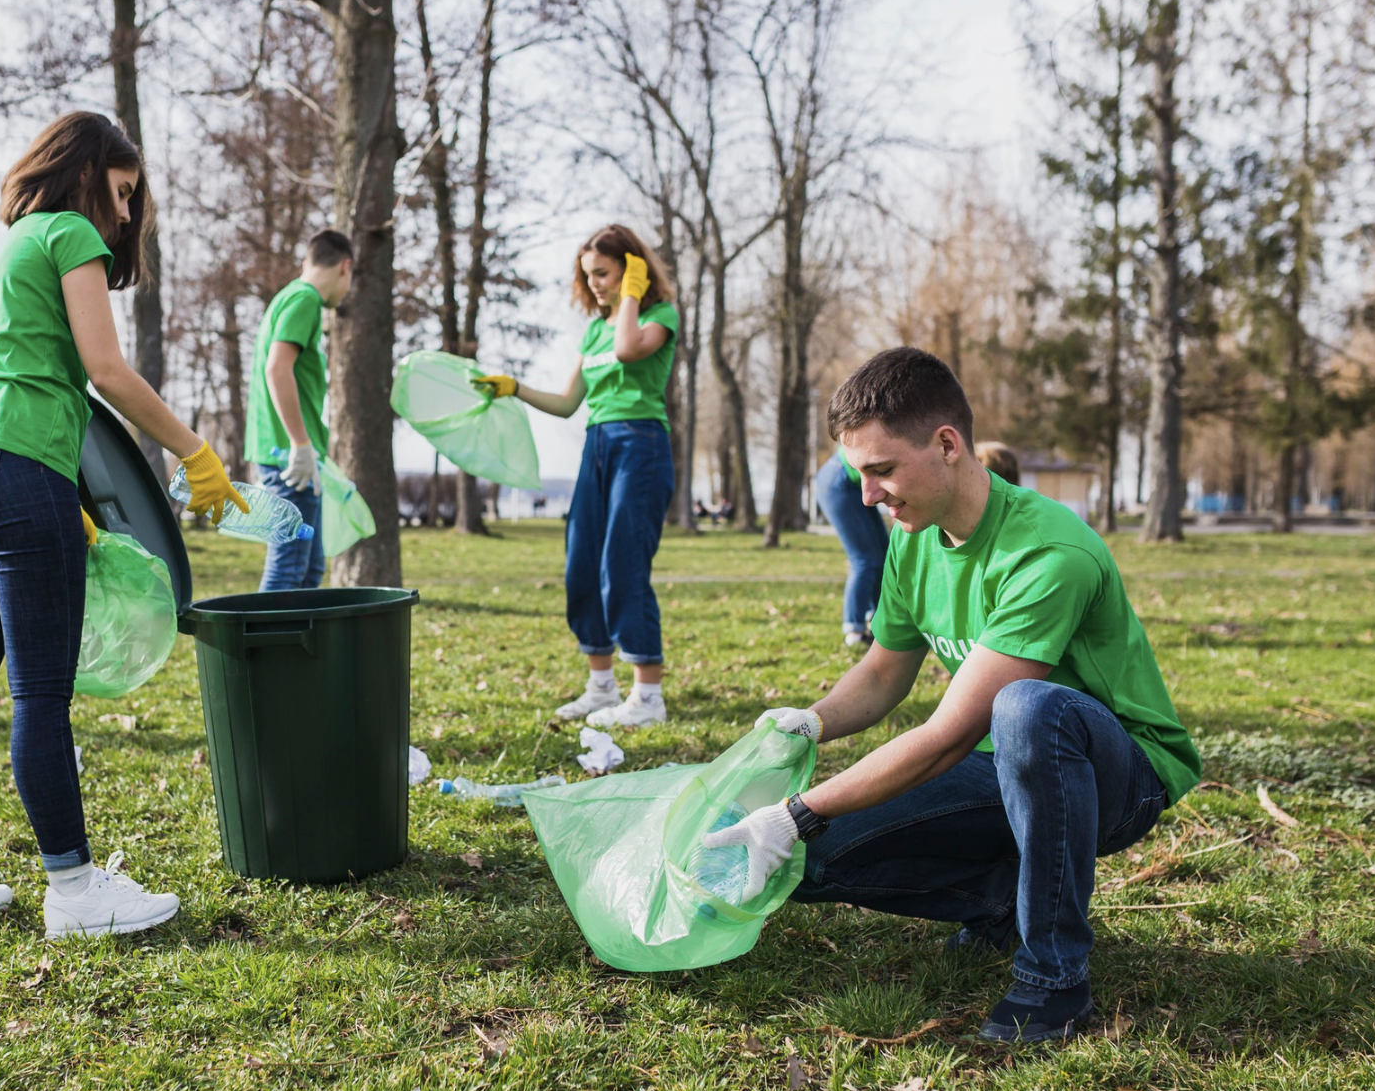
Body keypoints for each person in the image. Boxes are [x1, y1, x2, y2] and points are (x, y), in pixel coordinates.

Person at [702, 347, 1200, 1043]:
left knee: (1029, 709)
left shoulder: (1048, 552)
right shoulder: (916, 534)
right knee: (802, 862)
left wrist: (798, 809)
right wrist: (809, 723)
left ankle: (1054, 978)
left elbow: (948, 735)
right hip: (1004, 765)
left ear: (947, 445)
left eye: (881, 471)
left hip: (1113, 777)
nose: (868, 496)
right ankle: (1004, 903)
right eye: (859, 476)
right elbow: (882, 673)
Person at [0, 112, 247, 940]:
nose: (123, 218)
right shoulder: (72, 232)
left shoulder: (11, 244)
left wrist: (66, 501)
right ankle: (75, 892)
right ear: (86, 174)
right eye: (122, 194)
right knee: (40, 697)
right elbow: (105, 370)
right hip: (16, 472)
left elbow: (31, 378)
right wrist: (194, 452)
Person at [473, 225, 679, 728]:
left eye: (604, 274)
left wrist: (631, 293)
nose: (595, 286)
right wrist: (514, 387)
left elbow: (629, 349)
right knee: (582, 562)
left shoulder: (658, 315)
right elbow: (567, 404)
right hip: (598, 444)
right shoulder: (592, 331)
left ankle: (648, 697)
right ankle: (601, 687)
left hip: (641, 444)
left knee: (623, 563)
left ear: (631, 269)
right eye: (589, 277)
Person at [244, 229, 355, 591]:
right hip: (290, 459)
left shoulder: (289, 298)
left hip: (289, 455)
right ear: (345, 267)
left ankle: (296, 648)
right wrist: (301, 444)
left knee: (307, 573)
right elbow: (277, 369)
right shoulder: (305, 300)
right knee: (289, 570)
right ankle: (263, 649)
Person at [814, 445, 886, 647]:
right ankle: (854, 631)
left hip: (852, 481)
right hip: (839, 479)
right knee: (864, 560)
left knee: (884, 553)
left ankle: (879, 623)